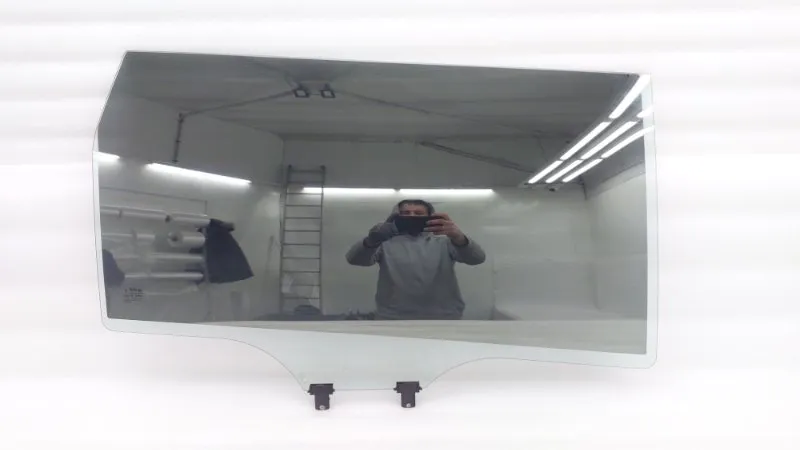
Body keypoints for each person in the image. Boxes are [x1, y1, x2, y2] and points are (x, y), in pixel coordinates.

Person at [345, 199, 486, 320]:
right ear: (395, 217)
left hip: (444, 317)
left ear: (430, 218)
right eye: (405, 213)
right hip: (392, 317)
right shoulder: (384, 242)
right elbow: (354, 259)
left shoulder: (445, 242)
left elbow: (477, 259)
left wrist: (459, 237)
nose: (411, 216)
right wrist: (371, 241)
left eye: (419, 214)